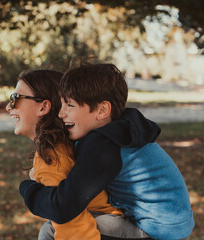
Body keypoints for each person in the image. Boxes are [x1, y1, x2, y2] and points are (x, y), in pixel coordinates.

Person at [19, 64, 195, 240]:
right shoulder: (121, 130)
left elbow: (64, 207)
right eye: (61, 103)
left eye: (70, 105)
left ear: (102, 110)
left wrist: (28, 189)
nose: (61, 113)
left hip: (158, 231)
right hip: (175, 224)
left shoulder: (104, 145)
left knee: (50, 231)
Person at [6, 69, 124, 239]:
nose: (8, 106)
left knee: (49, 231)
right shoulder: (62, 145)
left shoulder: (50, 156)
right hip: (113, 223)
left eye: (15, 98)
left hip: (110, 229)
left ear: (44, 107)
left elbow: (74, 228)